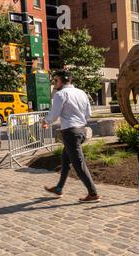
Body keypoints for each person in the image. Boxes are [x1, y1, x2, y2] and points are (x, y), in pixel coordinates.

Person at [42, 70, 100, 203]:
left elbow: (54, 114)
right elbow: (88, 114)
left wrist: (46, 121)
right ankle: (59, 188)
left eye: (55, 80)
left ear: (62, 81)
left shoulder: (60, 94)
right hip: (81, 130)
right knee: (65, 160)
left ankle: (93, 193)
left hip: (70, 133)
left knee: (79, 165)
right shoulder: (81, 92)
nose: (54, 83)